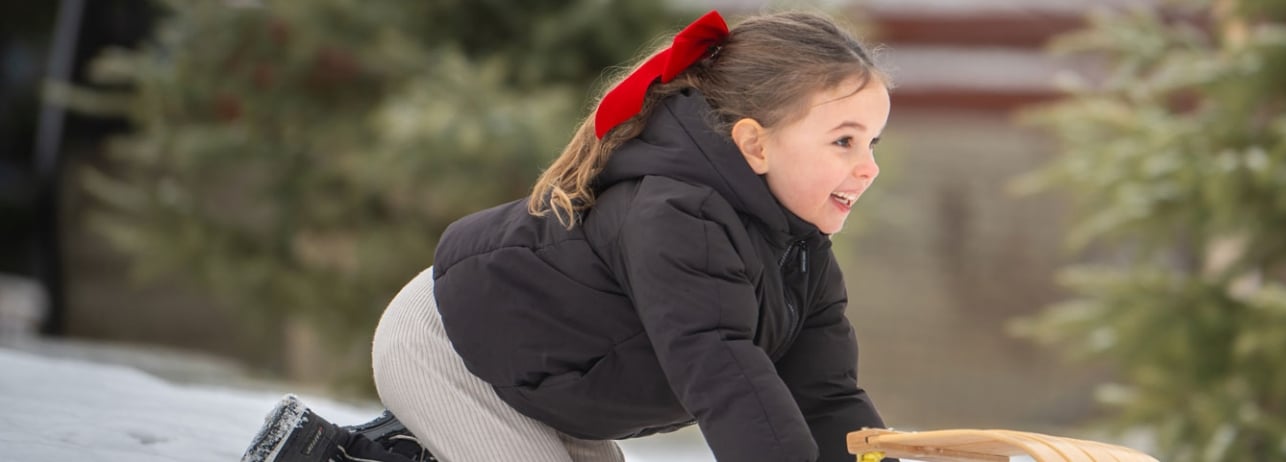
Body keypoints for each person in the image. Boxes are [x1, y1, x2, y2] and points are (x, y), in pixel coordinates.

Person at [242, 9, 894, 462]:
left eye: (872, 141)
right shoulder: (678, 217)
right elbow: (724, 372)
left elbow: (826, 395)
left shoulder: (800, 256)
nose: (867, 165)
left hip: (549, 384)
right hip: (451, 349)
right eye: (843, 141)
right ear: (754, 143)